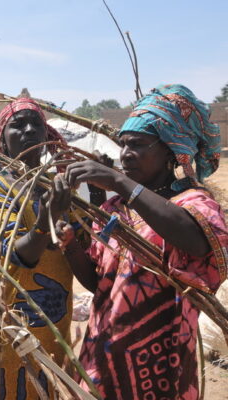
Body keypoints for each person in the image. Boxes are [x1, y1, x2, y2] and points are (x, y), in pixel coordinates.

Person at [60, 84, 228, 399]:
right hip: (103, 361)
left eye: (137, 145)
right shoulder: (115, 209)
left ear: (169, 149)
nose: (125, 155)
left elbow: (199, 244)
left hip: (162, 369)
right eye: (123, 145)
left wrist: (119, 182)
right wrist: (70, 244)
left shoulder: (193, 203)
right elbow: (99, 284)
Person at [0, 97, 87, 399]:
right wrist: (48, 218)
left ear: (48, 137)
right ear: (3, 140)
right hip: (3, 323)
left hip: (50, 325)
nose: (29, 130)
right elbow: (18, 254)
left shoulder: (57, 187)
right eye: (17, 124)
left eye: (36, 124)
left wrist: (96, 191)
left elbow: (84, 248)